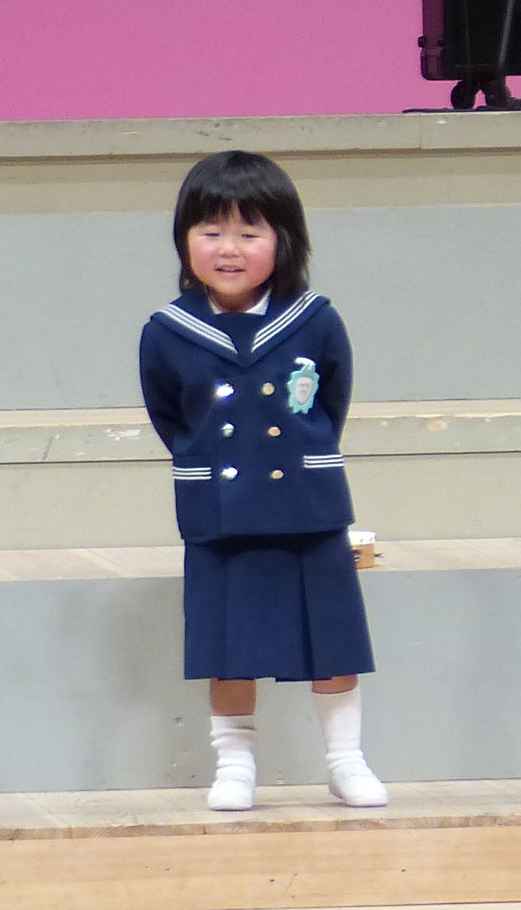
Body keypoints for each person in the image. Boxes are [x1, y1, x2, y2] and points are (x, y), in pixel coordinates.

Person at [139, 151, 384, 812]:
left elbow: (330, 404)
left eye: (250, 232)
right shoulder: (167, 332)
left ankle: (346, 761)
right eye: (211, 231)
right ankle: (235, 764)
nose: (229, 249)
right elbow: (171, 418)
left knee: (332, 640)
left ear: (285, 240)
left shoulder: (315, 319)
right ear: (184, 239)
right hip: (221, 510)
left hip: (307, 505)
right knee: (228, 646)